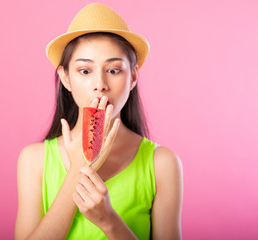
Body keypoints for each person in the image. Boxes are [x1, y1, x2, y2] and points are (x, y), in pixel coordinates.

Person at [14, 3, 183, 240]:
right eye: (85, 71)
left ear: (133, 76)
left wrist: (108, 221)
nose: (100, 84)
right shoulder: (34, 160)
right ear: (65, 78)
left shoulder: (162, 164)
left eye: (113, 70)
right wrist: (78, 170)